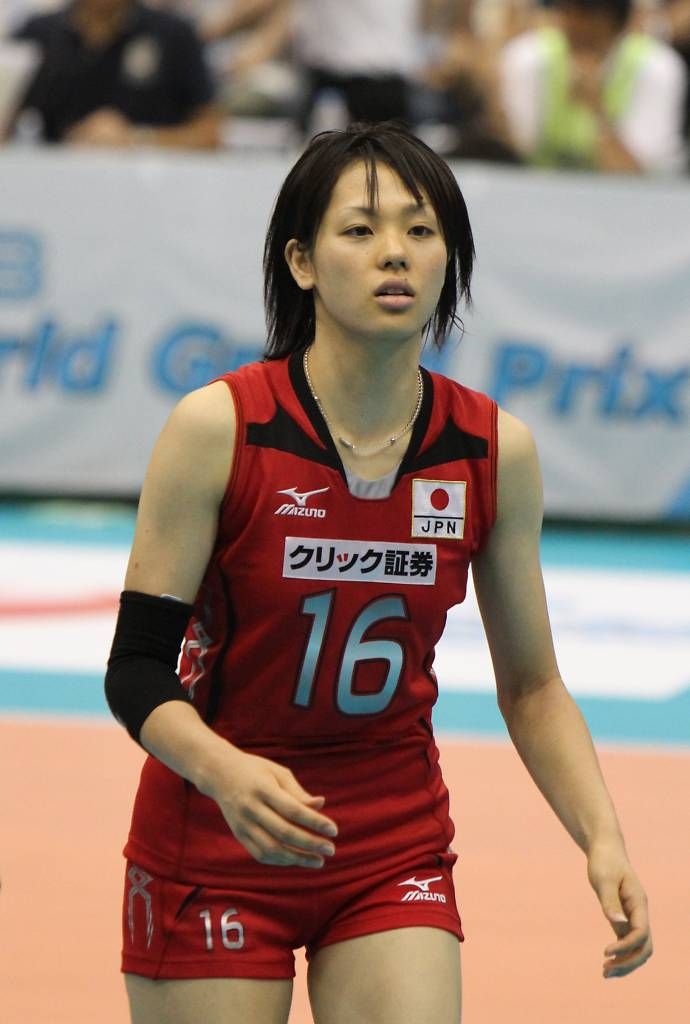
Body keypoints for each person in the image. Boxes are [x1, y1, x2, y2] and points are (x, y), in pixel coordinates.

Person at [105, 121, 653, 1023]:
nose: (394, 252)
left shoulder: (492, 450)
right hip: (215, 835)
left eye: (420, 230)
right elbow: (134, 671)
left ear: (449, 258)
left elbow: (533, 687)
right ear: (302, 262)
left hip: (389, 844)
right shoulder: (219, 428)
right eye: (359, 230)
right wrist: (227, 774)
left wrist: (603, 837)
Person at [498, 0, 688, 171]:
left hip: (624, 196)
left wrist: (597, 110)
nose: (574, 23)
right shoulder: (528, 58)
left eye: (587, 14)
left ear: (614, 20)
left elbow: (635, 173)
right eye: (567, 10)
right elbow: (515, 152)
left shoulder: (657, 69)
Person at [9, 0, 222, 147]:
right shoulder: (38, 35)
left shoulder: (174, 35)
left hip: (152, 185)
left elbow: (211, 133)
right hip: (56, 185)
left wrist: (138, 139)